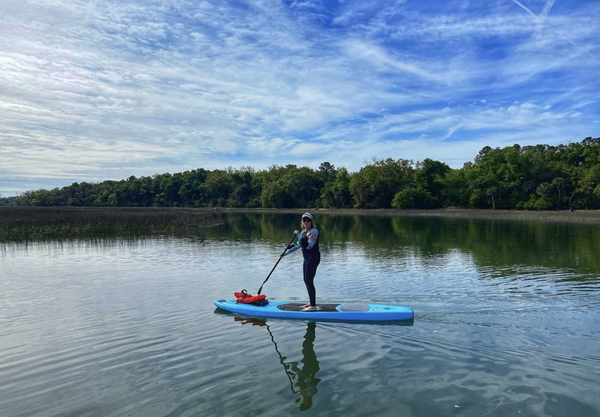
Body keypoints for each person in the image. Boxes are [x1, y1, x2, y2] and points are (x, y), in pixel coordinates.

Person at [281, 212, 321, 311]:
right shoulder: (304, 233)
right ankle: (311, 303)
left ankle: (313, 306)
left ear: (312, 222)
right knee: (306, 280)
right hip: (307, 258)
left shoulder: (314, 232)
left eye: (308, 220)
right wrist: (285, 253)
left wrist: (298, 235)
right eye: (304, 220)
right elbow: (298, 245)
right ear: (302, 222)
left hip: (313, 258)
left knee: (309, 280)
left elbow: (308, 245)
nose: (306, 222)